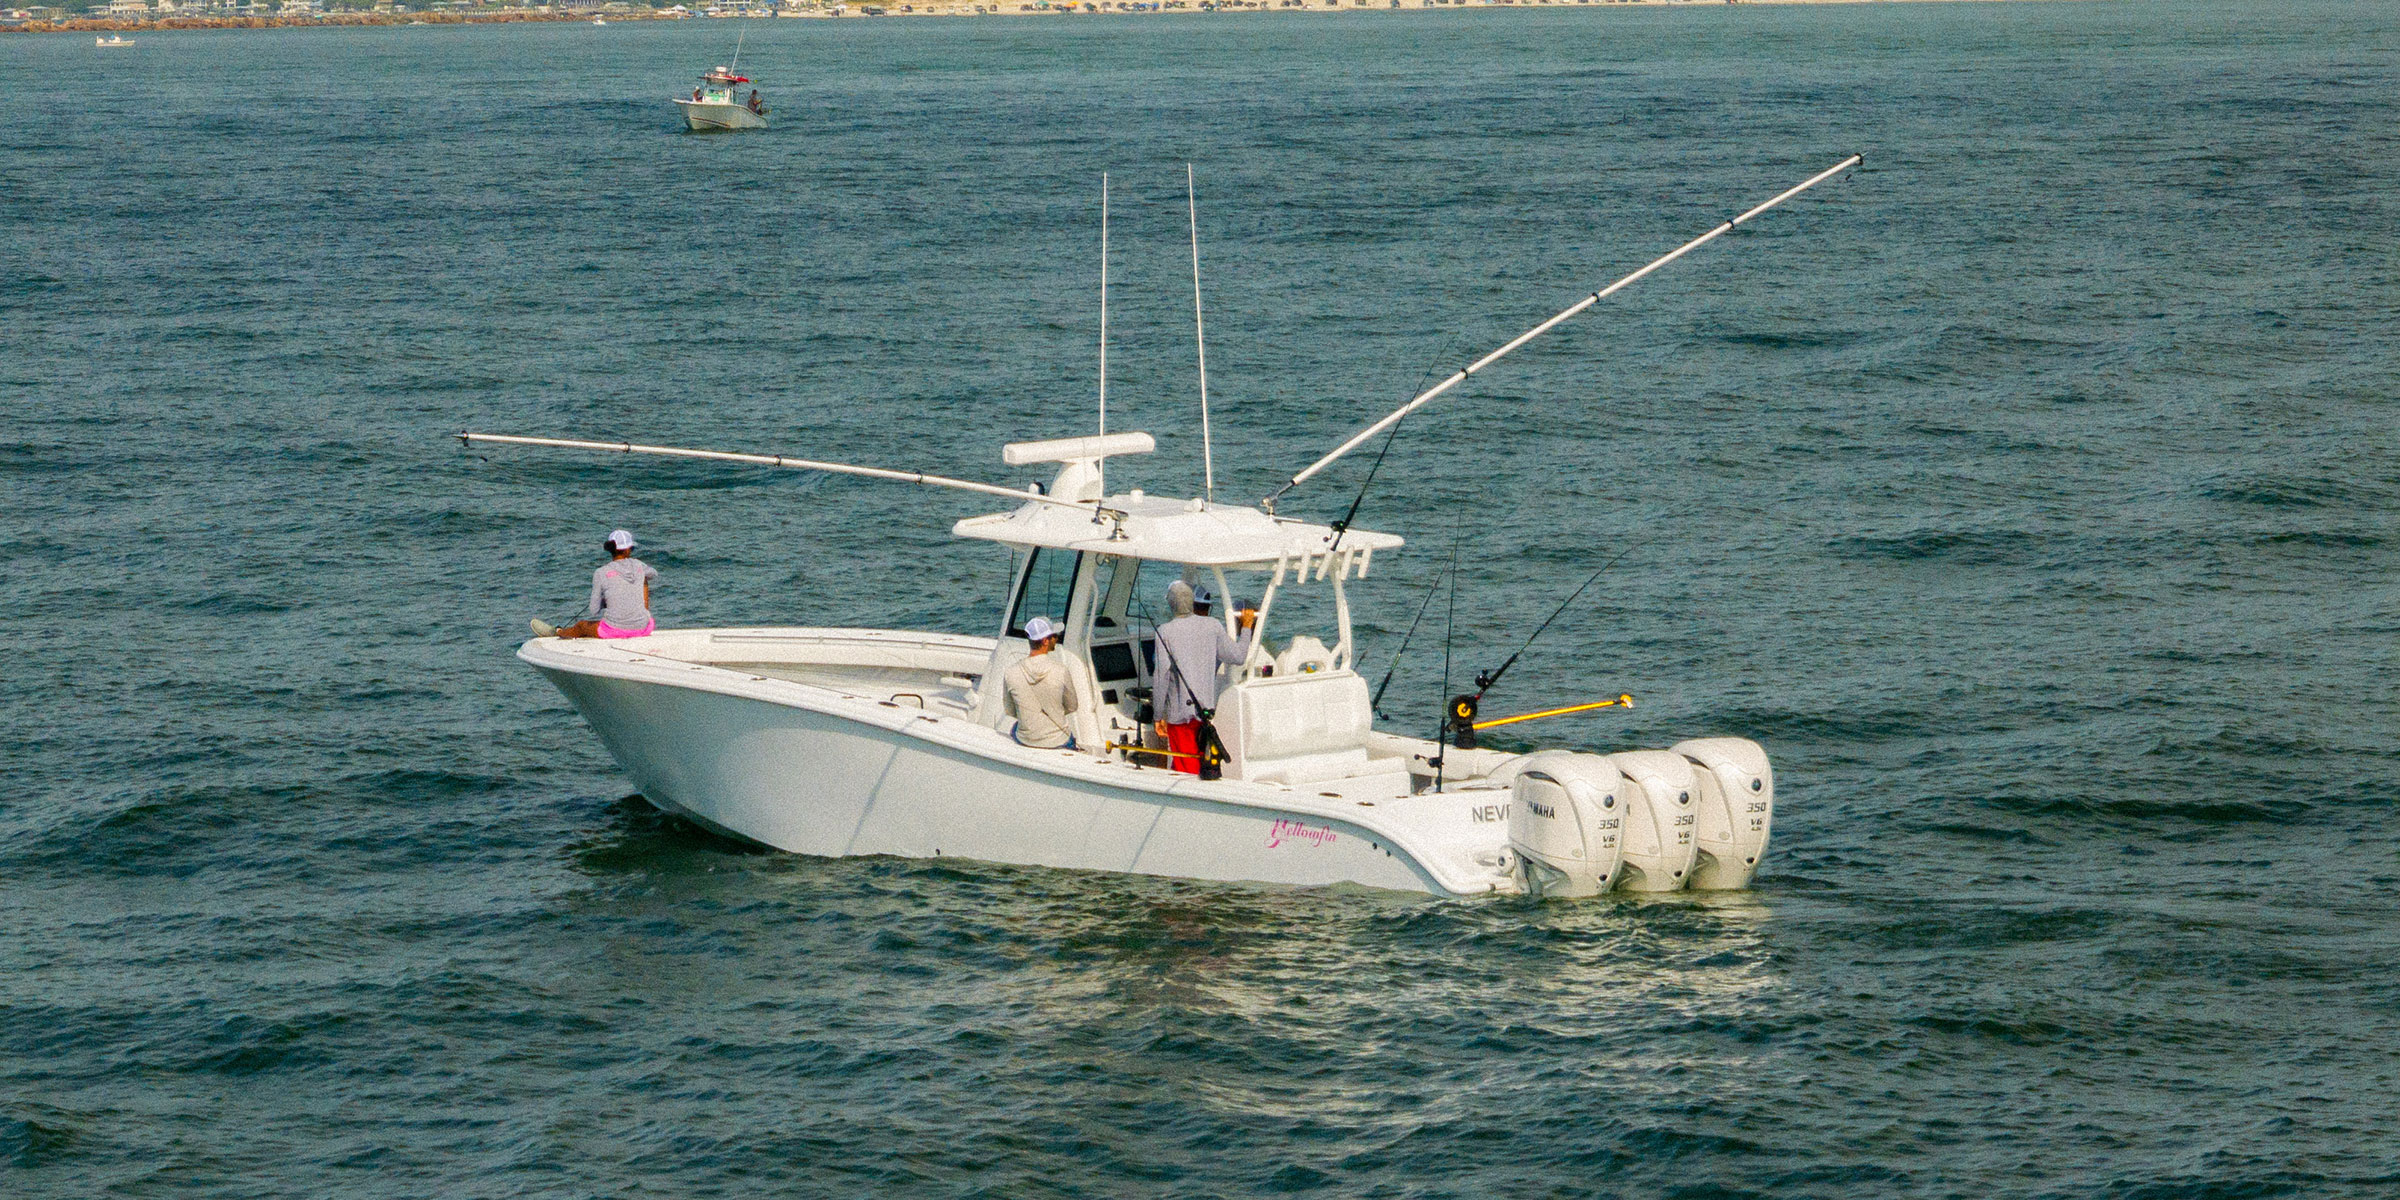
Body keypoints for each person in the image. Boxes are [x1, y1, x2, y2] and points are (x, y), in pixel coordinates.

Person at [1152, 579, 1256, 775]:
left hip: (1179, 717)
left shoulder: (1164, 632)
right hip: (1205, 715)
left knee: (1186, 769)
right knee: (1200, 762)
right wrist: (1247, 628)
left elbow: (1160, 678)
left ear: (1171, 604)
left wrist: (1158, 716)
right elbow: (1239, 656)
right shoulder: (1213, 625)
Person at [532, 530, 657, 640]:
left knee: (581, 626)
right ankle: (641, 616)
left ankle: (558, 632)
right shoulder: (639, 565)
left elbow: (594, 610)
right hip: (645, 628)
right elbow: (653, 574)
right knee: (644, 578)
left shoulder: (601, 572)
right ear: (628, 550)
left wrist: (606, 600)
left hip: (614, 631)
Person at [1003, 616, 1079, 749]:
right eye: (1054, 636)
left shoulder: (1010, 672)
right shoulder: (1061, 670)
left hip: (1025, 739)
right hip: (1058, 740)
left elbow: (1010, 711)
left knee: (1015, 727)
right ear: (1045, 641)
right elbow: (1072, 706)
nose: (1056, 639)